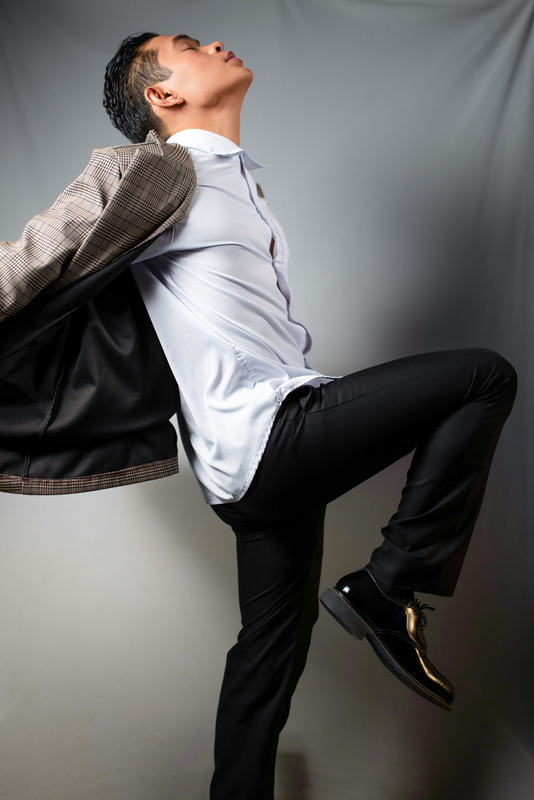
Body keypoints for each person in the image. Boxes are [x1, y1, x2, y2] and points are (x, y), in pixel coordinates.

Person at [0, 31, 517, 800]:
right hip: (269, 437)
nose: (214, 42)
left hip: (253, 459)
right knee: (484, 377)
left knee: (272, 651)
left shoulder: (238, 183)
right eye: (187, 45)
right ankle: (390, 586)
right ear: (162, 94)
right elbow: (28, 257)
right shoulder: (149, 169)